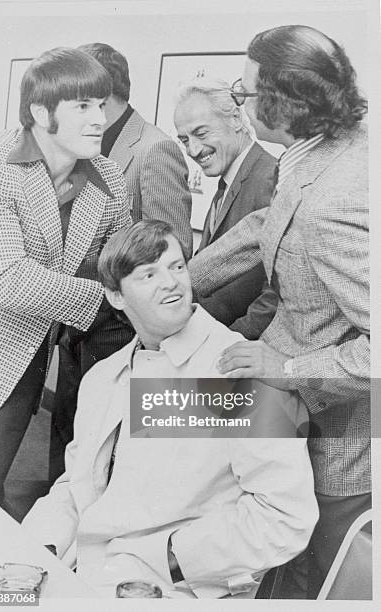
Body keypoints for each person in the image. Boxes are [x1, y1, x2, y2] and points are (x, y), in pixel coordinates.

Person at [23, 220, 318, 599]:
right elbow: (77, 483)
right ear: (116, 296)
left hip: (170, 589)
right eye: (148, 274)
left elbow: (285, 517)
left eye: (177, 266)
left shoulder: (241, 372)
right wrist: (40, 546)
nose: (172, 283)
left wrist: (171, 557)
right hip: (83, 570)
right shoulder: (103, 377)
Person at [188, 25, 370, 597]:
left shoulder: (339, 199)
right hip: (290, 416)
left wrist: (283, 369)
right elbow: (270, 222)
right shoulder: (322, 149)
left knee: (322, 581)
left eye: (243, 96)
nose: (239, 107)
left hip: (339, 444)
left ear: (283, 104)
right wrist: (178, 278)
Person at [0, 47, 131, 512]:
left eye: (103, 104)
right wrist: (113, 297)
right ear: (39, 112)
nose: (101, 119)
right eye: (83, 106)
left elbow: (123, 261)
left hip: (37, 353)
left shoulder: (107, 178)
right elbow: (6, 279)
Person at [49, 42, 193, 482]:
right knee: (72, 445)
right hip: (79, 323)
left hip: (120, 334)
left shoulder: (153, 150)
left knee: (107, 459)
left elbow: (171, 251)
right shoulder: (85, 150)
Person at [174, 77, 277, 339]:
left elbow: (278, 295)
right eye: (185, 140)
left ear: (234, 119)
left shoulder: (270, 179)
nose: (194, 150)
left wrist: (229, 342)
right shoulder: (229, 179)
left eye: (201, 133)